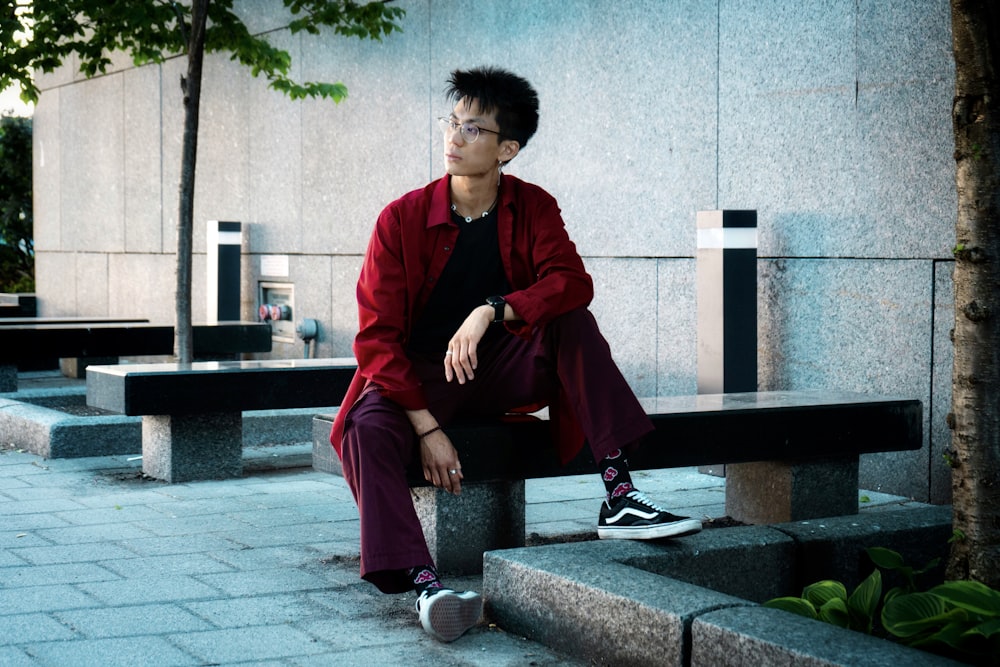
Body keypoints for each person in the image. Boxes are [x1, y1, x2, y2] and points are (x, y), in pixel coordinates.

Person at [331, 66, 702, 643]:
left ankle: (620, 496)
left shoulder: (533, 207)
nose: (453, 138)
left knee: (571, 323)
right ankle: (426, 585)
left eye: (472, 129)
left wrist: (491, 310)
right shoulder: (400, 219)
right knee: (366, 426)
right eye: (451, 123)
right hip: (420, 380)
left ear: (508, 148)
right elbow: (376, 340)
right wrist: (427, 429)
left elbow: (572, 283)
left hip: (502, 366)